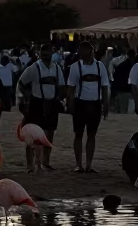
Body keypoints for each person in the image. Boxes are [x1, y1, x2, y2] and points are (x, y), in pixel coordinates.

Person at [18, 43, 65, 171]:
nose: (46, 55)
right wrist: (27, 97)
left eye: (48, 52)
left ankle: (45, 162)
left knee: (49, 134)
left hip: (52, 103)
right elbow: (21, 83)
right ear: (40, 53)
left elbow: (61, 85)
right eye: (44, 52)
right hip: (36, 103)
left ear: (52, 53)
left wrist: (60, 99)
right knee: (31, 134)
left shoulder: (57, 68)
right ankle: (30, 165)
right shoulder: (33, 68)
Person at [67, 41, 110, 173]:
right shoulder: (75, 67)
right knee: (78, 134)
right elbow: (70, 88)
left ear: (92, 51)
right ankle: (78, 164)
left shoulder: (100, 66)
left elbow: (104, 86)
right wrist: (70, 104)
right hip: (80, 103)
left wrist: (106, 104)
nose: (84, 54)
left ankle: (89, 164)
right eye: (82, 51)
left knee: (92, 135)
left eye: (87, 51)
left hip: (95, 103)